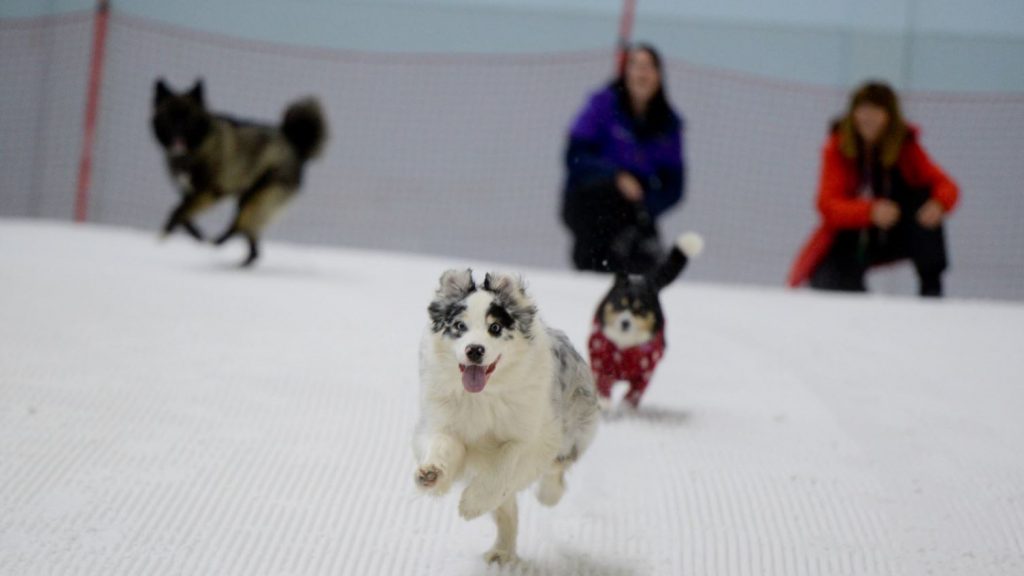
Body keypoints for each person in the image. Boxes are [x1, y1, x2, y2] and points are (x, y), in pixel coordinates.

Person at [787, 81, 959, 297]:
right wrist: (870, 212)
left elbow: (946, 185)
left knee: (926, 199)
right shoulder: (837, 147)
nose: (868, 117)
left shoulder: (906, 147)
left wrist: (940, 203)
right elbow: (827, 205)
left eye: (876, 110)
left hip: (895, 231)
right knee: (830, 283)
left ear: (889, 115)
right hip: (853, 237)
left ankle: (931, 289)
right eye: (863, 110)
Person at [561, 43, 686, 274]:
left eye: (648, 67)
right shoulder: (602, 105)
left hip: (634, 212)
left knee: (648, 266)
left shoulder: (668, 124)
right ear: (625, 72)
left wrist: (646, 207)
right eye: (635, 65)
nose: (641, 73)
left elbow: (675, 188)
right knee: (597, 258)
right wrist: (616, 176)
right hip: (589, 201)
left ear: (659, 75)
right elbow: (575, 157)